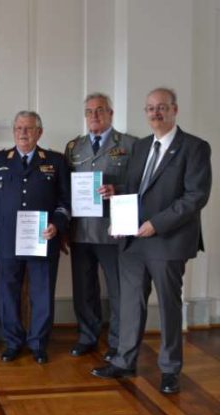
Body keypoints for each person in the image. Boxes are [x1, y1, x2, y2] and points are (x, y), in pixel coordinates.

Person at [91, 88, 212, 394]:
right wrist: (115, 195)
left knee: (169, 307)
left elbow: (195, 197)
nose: (155, 113)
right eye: (150, 109)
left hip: (168, 241)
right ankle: (123, 361)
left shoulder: (195, 148)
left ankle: (170, 369)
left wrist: (155, 225)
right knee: (131, 304)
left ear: (174, 110)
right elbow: (135, 188)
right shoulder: (142, 146)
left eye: (162, 107)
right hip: (134, 241)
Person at [0, 111, 70, 364]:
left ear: (39, 132)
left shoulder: (55, 161)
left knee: (42, 293)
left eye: (29, 128)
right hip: (6, 238)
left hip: (43, 238)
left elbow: (65, 201)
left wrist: (57, 224)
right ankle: (12, 342)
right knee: (7, 293)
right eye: (18, 128)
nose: (23, 133)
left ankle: (39, 343)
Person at [64, 94, 137, 361]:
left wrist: (117, 189)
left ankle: (118, 342)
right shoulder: (74, 147)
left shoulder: (130, 144)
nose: (94, 116)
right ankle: (87, 336)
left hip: (113, 229)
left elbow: (142, 186)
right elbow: (65, 188)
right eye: (89, 111)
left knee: (118, 290)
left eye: (100, 110)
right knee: (84, 289)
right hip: (81, 230)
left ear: (111, 113)